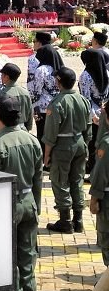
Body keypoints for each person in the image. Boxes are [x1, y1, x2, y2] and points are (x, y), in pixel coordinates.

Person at [0, 96, 42, 291]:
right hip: (28, 202)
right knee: (27, 253)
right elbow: (37, 180)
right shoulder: (32, 140)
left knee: (8, 255)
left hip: (5, 205)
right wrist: (36, 206)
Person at [43, 67, 90, 234]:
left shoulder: (57, 103)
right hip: (80, 143)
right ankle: (78, 220)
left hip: (63, 146)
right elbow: (88, 127)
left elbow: (50, 134)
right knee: (77, 181)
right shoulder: (83, 100)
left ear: (59, 82)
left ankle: (65, 221)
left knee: (60, 181)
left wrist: (46, 156)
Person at [28, 33, 64, 145]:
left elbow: (36, 91)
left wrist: (33, 106)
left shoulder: (42, 69)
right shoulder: (58, 67)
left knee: (42, 133)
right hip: (58, 103)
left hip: (43, 107)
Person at [80, 48, 109, 176]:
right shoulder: (107, 73)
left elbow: (85, 99)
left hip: (92, 115)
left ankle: (93, 172)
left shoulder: (85, 75)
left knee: (92, 144)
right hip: (106, 112)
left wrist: (92, 116)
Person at [89, 115, 109, 267]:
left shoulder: (107, 143)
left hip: (107, 197)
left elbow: (101, 173)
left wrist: (94, 199)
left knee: (106, 239)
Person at [0, 63, 34, 133]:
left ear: (7, 77)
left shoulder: (2, 94)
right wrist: (28, 128)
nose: (1, 77)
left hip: (7, 131)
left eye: (2, 75)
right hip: (23, 130)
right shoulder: (25, 92)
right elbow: (30, 112)